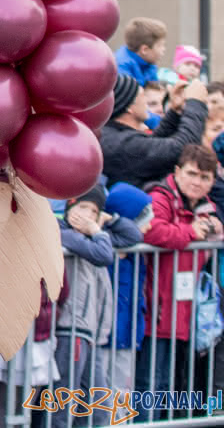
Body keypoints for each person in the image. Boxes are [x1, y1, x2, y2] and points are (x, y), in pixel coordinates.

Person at [137, 144, 223, 398]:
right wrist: (191, 233)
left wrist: (216, 228)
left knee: (168, 384)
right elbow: (151, 230)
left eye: (205, 177)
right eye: (192, 174)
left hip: (184, 311)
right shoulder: (160, 197)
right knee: (148, 383)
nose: (197, 182)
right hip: (156, 307)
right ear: (177, 171)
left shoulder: (207, 207)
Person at [54, 184, 118, 426]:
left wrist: (109, 222)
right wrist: (96, 230)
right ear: (69, 207)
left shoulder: (94, 235)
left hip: (90, 332)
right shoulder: (62, 231)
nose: (87, 216)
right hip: (70, 329)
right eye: (82, 208)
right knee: (62, 405)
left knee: (98, 407)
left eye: (93, 211)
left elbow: (132, 235)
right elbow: (103, 255)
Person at [101, 73, 208, 189]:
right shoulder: (121, 143)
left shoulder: (114, 136)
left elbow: (154, 145)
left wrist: (175, 112)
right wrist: (195, 104)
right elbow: (181, 149)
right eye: (142, 96)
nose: (146, 101)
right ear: (129, 107)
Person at [104, 183, 154, 394]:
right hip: (109, 335)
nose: (149, 227)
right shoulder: (108, 251)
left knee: (122, 391)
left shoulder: (134, 255)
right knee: (104, 392)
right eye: (144, 221)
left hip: (126, 334)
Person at [115, 18, 168, 86]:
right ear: (144, 50)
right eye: (160, 45)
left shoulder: (149, 64)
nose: (164, 49)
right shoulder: (121, 67)